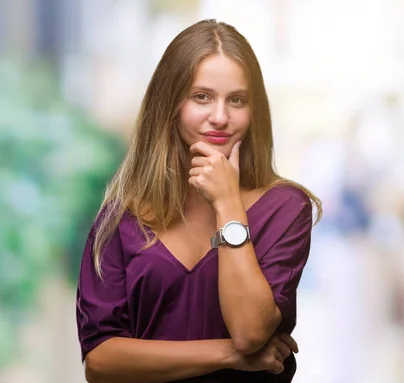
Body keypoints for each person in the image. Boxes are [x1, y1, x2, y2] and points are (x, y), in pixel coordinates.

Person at [75, 19, 322, 383]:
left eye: (236, 100)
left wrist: (227, 205)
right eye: (201, 97)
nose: (220, 117)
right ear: (171, 104)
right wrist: (227, 355)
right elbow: (100, 362)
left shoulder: (285, 208)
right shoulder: (121, 219)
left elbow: (251, 332)